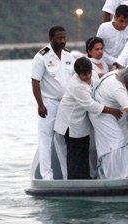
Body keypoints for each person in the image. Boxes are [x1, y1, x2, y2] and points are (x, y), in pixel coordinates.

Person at [54, 57, 122, 179]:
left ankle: (85, 178)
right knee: (75, 153)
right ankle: (75, 181)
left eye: (89, 72)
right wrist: (112, 111)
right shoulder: (76, 85)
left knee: (84, 150)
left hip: (81, 120)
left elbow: (100, 79)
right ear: (77, 74)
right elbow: (91, 105)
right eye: (83, 75)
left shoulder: (93, 74)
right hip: (70, 122)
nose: (87, 76)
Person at [31, 26, 75, 180]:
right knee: (45, 140)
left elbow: (74, 79)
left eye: (64, 38)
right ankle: (46, 176)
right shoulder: (41, 56)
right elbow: (35, 82)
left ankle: (66, 176)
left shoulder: (69, 55)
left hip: (65, 104)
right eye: (59, 38)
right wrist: (40, 104)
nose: (62, 41)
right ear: (51, 38)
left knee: (62, 140)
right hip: (48, 104)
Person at [97, 4, 128, 69]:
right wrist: (114, 62)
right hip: (103, 62)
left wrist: (118, 63)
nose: (124, 25)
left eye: (127, 21)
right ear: (115, 17)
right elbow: (98, 50)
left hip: (123, 65)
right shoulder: (103, 28)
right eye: (121, 21)